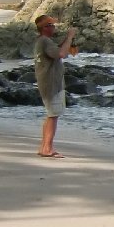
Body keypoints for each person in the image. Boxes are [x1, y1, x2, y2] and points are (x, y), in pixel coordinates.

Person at [34, 14, 77, 158]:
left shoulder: (43, 41)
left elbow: (57, 50)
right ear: (45, 28)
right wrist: (70, 37)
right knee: (53, 115)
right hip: (51, 83)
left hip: (48, 82)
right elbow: (61, 54)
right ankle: (47, 148)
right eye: (51, 25)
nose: (53, 28)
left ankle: (44, 147)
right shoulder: (45, 41)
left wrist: (66, 40)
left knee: (51, 115)